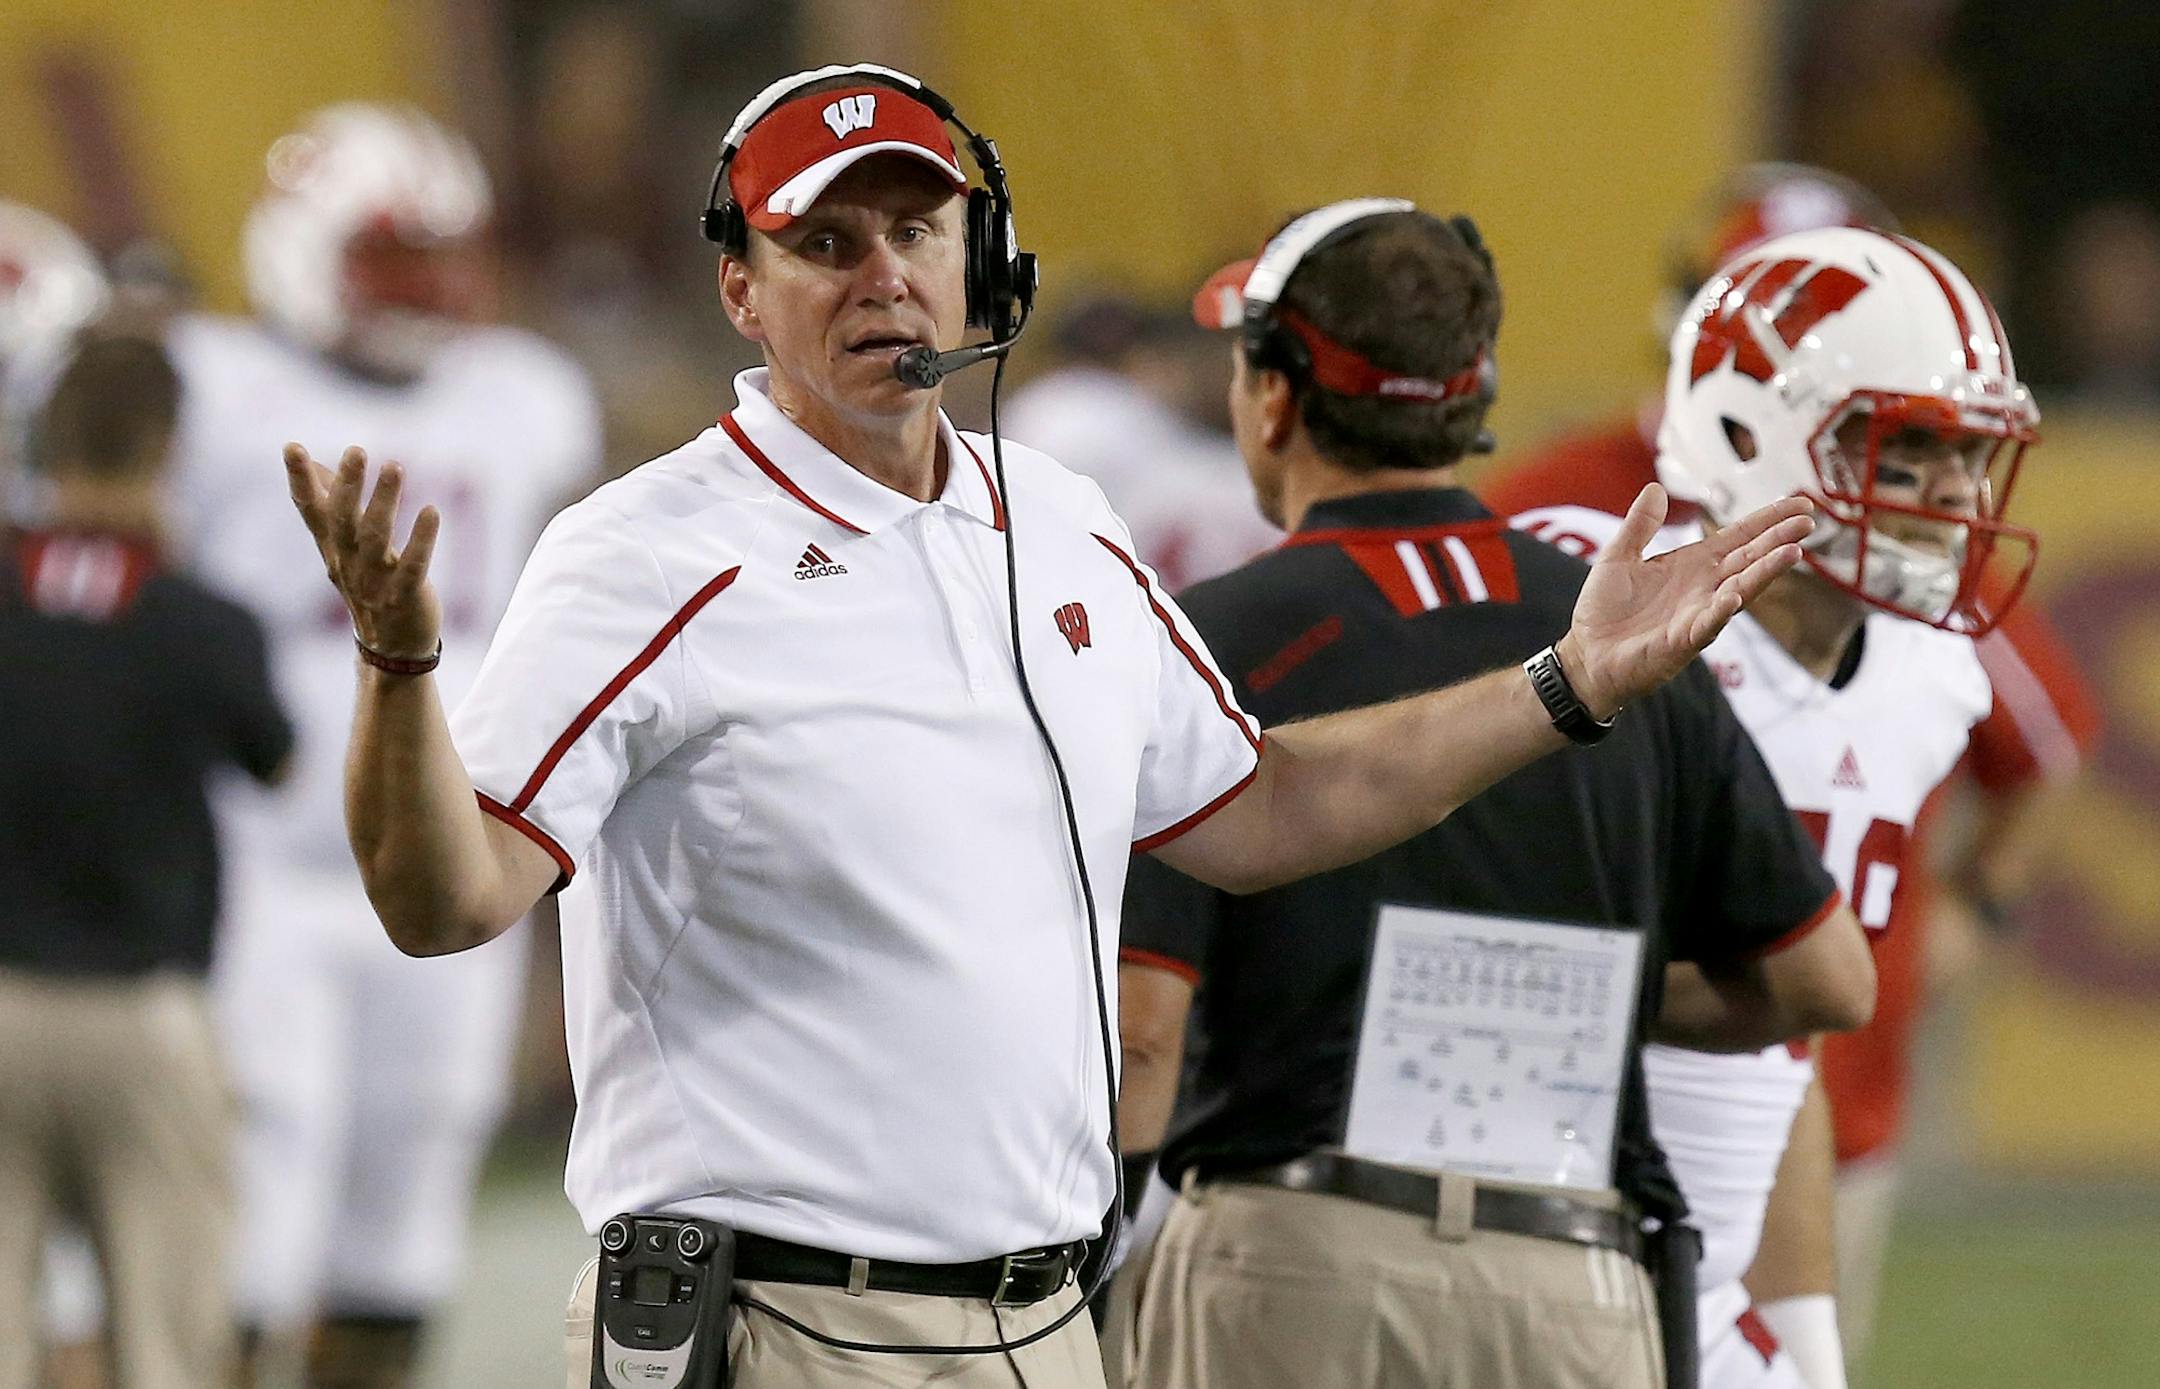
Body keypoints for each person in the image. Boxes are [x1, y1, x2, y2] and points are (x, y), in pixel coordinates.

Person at [277, 65, 1811, 1389]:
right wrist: (398, 671)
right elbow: (447, 898)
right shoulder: (646, 549)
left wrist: (1567, 686)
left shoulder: (1061, 522)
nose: (884, 273)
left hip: (1042, 1322)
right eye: (826, 241)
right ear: (741, 286)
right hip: (779, 1323)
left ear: (980, 258)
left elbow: (1263, 806)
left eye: (917, 229)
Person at [1111, 200, 1873, 1389]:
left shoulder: (1206, 640)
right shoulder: (1627, 637)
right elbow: (1826, 981)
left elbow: (1142, 1027)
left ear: (1273, 395)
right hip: (1571, 1277)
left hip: (1291, 1262)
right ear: (1472, 394)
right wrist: (1563, 981)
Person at [1491, 166, 2097, 1384]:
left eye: (1970, 456)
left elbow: (1786, 1072)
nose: (1958, 501)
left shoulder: (1934, 673)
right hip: (1521, 1192)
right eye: (1909, 449)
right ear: (1750, 429)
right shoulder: (1586, 600)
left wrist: (1801, 1336)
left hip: (1747, 1203)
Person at [163, 103, 602, 1387]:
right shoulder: (217, 386)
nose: (424, 290)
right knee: (259, 1178)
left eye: (438, 257)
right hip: (260, 859)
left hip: (442, 851)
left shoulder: (523, 394)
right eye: (390, 259)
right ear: (302, 252)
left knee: (407, 1188)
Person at [0, 328, 292, 1389]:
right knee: (170, 1351)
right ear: (168, 444)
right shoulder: (203, 624)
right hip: (146, 1015)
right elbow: (277, 760)